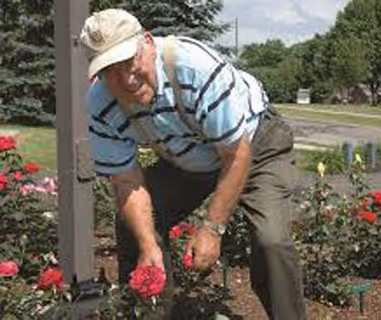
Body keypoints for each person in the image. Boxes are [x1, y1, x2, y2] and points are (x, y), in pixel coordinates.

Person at [80, 8, 306, 319]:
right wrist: (149, 245)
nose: (127, 78)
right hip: (189, 159)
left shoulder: (194, 67)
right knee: (133, 227)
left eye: (129, 61)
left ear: (147, 42)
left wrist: (212, 229)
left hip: (255, 144)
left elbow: (235, 155)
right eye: (110, 71)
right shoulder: (100, 104)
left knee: (271, 239)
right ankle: (152, 314)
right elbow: (125, 181)